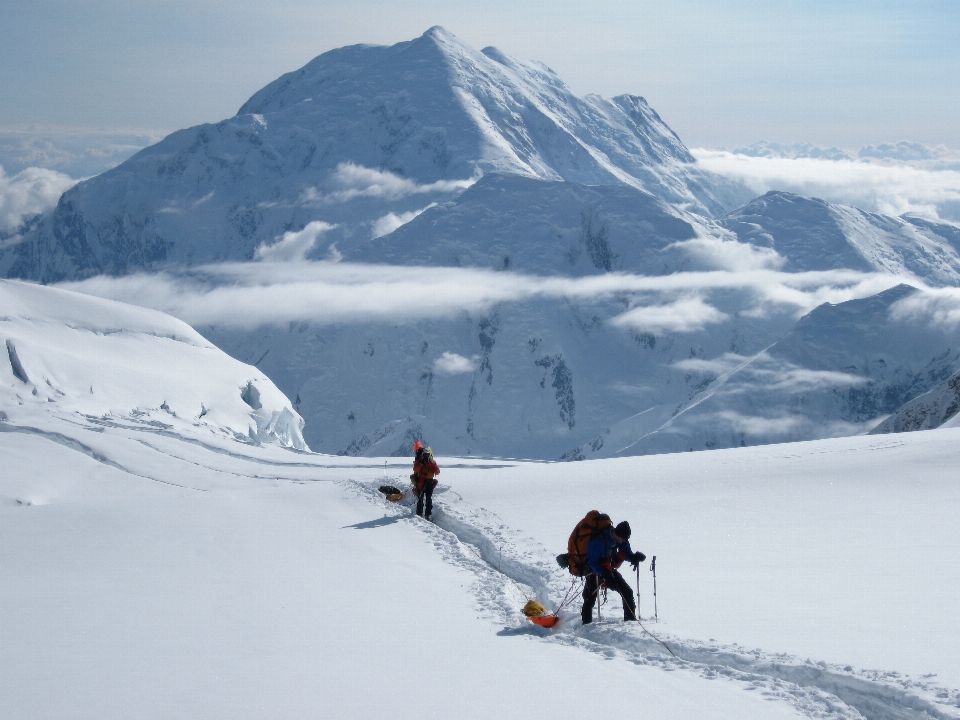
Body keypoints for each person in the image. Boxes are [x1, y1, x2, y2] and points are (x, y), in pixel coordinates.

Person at [582, 520, 645, 625]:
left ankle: (630, 623)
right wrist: (605, 574)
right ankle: (586, 625)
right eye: (623, 539)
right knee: (590, 599)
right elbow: (592, 562)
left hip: (608, 569)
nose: (623, 541)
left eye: (625, 539)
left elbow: (626, 552)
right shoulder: (598, 541)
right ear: (617, 534)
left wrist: (633, 558)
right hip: (593, 571)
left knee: (627, 592)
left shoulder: (621, 539)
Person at [411, 441, 440, 519]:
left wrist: (431, 465)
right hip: (421, 481)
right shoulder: (419, 461)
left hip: (429, 482)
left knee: (428, 499)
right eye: (425, 455)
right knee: (420, 499)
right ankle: (419, 513)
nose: (426, 457)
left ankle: (428, 514)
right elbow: (415, 469)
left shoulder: (432, 462)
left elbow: (437, 472)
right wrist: (421, 463)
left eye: (427, 455)